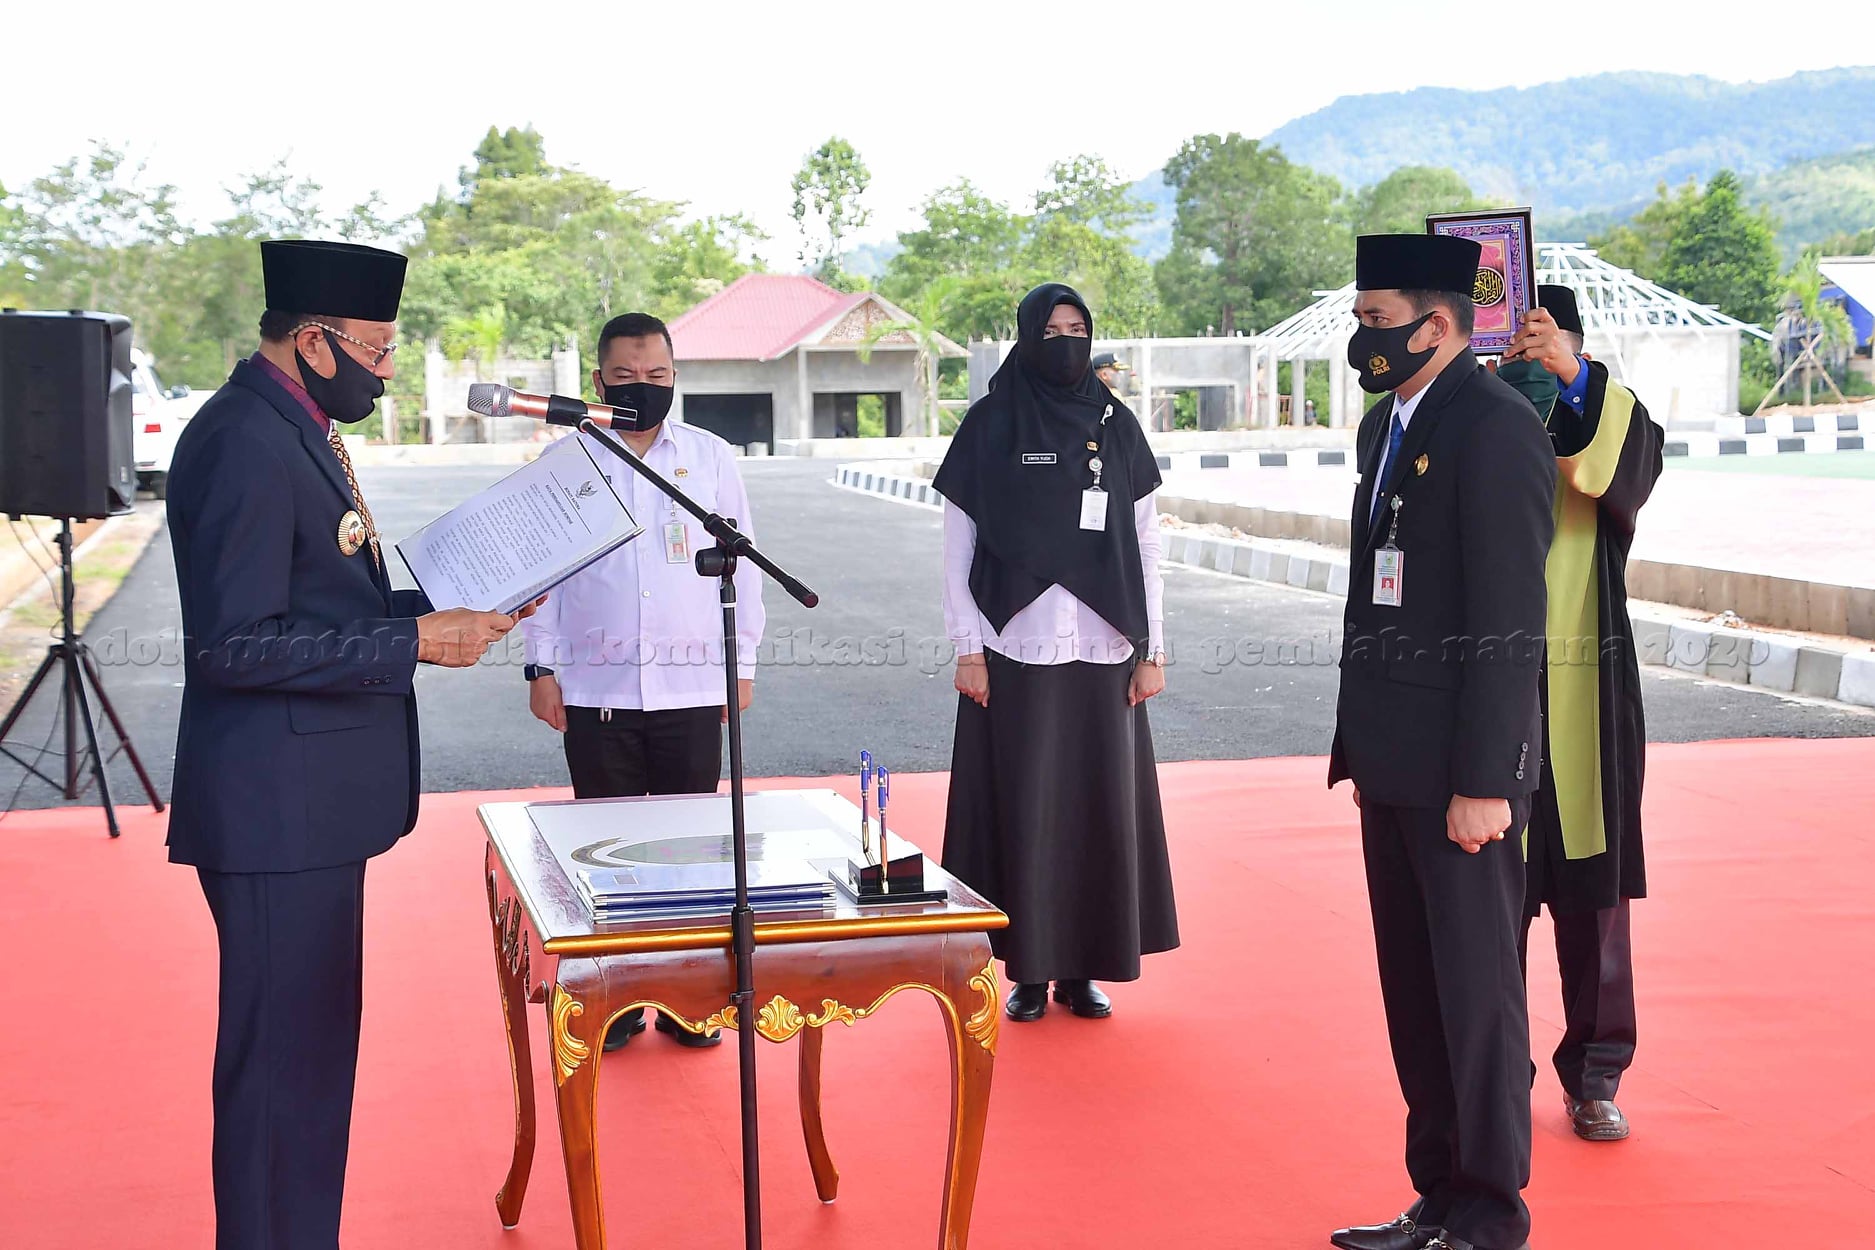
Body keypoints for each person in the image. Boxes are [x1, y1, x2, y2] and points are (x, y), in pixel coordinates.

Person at [166, 238, 533, 1248]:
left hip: (305, 806)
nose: (385, 367)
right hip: (276, 810)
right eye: (377, 348)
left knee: (311, 1063)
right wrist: (412, 637)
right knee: (281, 1076)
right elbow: (233, 645)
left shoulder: (296, 425)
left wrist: (448, 608)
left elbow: (320, 601)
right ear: (315, 337)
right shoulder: (246, 437)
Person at [1326, 234, 1556, 1250]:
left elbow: (1511, 616)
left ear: (1439, 323)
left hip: (1462, 774)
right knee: (1416, 997)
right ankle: (1438, 1194)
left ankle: (1492, 1213)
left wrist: (1485, 780)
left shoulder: (1496, 425)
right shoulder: (1389, 421)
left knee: (1478, 998)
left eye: (1376, 318)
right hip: (1391, 757)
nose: (1362, 337)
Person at [933, 282, 1178, 1024]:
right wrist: (967, 649)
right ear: (1027, 337)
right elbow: (955, 546)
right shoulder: (989, 424)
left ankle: (1085, 970)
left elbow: (1145, 543)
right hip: (1014, 648)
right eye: (1053, 329)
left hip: (1104, 648)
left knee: (1096, 812)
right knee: (1026, 810)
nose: (1067, 342)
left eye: (1079, 329)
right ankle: (1029, 973)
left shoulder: (1115, 421)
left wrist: (1151, 648)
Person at [521, 311, 764, 1052]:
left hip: (692, 685)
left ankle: (690, 1002)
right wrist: (541, 666)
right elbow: (543, 572)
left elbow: (745, 563)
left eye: (656, 377)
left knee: (690, 848)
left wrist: (741, 663)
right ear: (597, 382)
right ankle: (622, 999)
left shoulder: (711, 456)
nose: (642, 388)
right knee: (608, 851)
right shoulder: (568, 460)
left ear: (674, 377)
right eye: (625, 378)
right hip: (597, 689)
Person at [1497, 284, 1663, 1143]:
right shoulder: (1471, 415)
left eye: (1548, 342)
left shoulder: (1601, 410)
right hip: (1487, 688)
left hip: (1584, 687)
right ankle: (1495, 1077)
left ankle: (1595, 1074)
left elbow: (1610, 472)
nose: (1532, 354)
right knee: (1490, 895)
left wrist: (1571, 379)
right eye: (1519, 342)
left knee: (1593, 895)